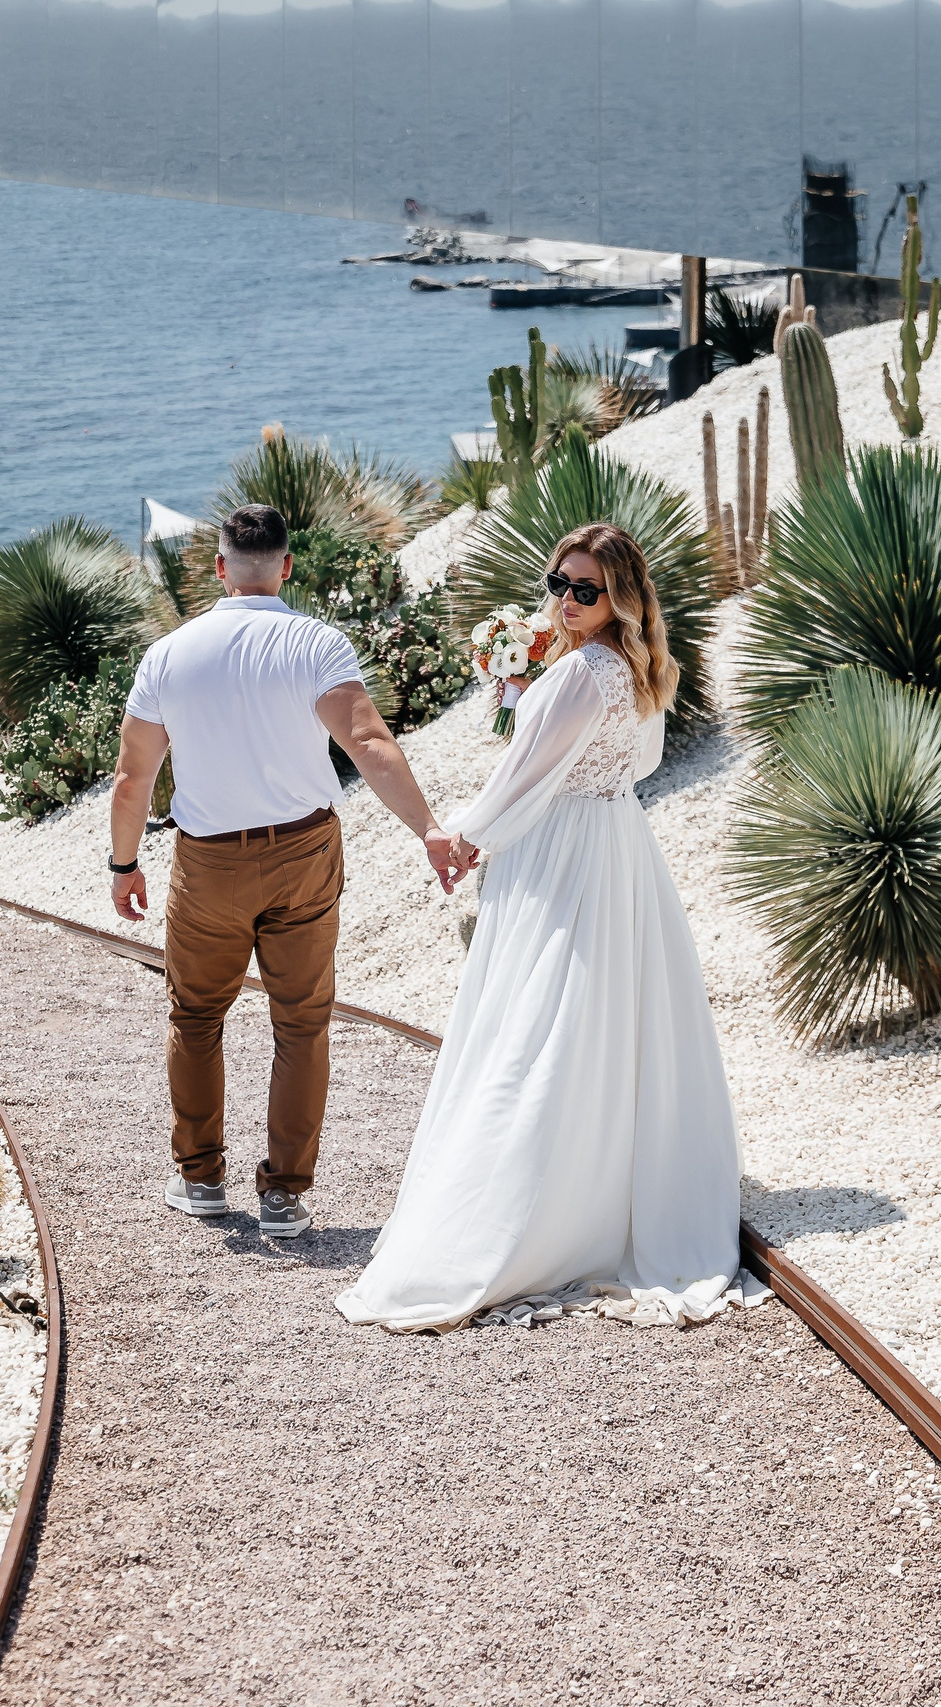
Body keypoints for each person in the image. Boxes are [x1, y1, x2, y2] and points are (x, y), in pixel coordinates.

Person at [336, 522, 749, 1331]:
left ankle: (525, 1212)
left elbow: (523, 775)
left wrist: (461, 837)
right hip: (620, 844)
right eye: (558, 583)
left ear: (619, 597)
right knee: (604, 1015)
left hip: (562, 851)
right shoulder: (640, 669)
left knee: (536, 1020)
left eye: (585, 590)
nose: (565, 600)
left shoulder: (579, 675)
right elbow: (638, 767)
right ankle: (608, 1185)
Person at [108, 503, 464, 1239]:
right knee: (301, 1023)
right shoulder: (315, 643)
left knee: (197, 1014)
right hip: (303, 851)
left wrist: (124, 862)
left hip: (207, 863)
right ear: (286, 567)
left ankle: (201, 1179)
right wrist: (427, 828)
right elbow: (367, 741)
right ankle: (284, 1195)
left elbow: (130, 778)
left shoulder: (169, 654)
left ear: (219, 569)